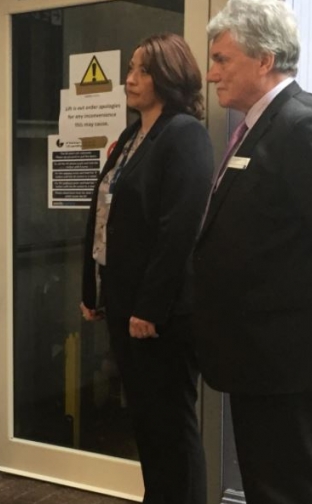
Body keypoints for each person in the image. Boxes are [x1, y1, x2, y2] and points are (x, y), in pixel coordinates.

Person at [193, 0, 312, 503]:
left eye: (221, 59)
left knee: (294, 489)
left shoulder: (303, 125)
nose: (211, 74)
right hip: (259, 351)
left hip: (287, 355)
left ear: (264, 59)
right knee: (268, 484)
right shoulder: (261, 125)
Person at [79, 33, 213, 504]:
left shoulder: (185, 135)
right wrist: (92, 290)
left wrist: (149, 308)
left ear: (169, 77)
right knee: (147, 425)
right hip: (125, 305)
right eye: (130, 69)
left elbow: (178, 231)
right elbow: (103, 216)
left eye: (141, 70)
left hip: (159, 315)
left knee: (171, 428)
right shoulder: (133, 137)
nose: (129, 79)